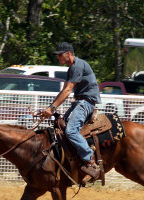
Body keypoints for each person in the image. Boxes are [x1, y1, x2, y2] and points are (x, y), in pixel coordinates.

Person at [41, 42, 101, 184]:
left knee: (71, 131)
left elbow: (68, 90)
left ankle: (90, 161)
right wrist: (51, 107)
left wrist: (51, 109)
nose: (58, 57)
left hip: (85, 103)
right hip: (79, 102)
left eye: (60, 55)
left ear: (68, 54)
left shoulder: (78, 66)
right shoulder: (72, 68)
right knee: (60, 126)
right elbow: (65, 91)